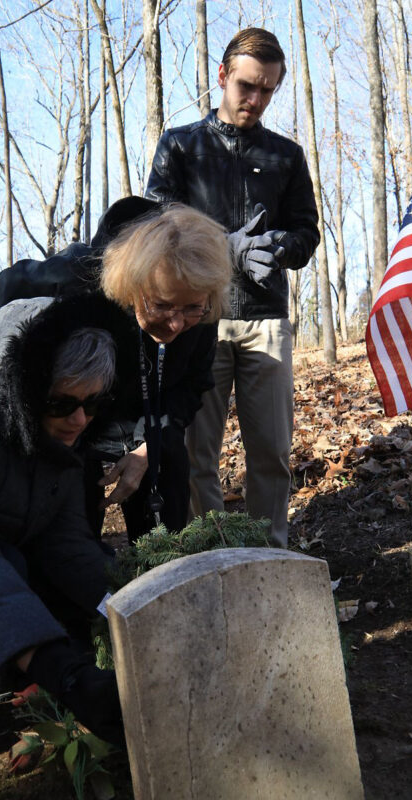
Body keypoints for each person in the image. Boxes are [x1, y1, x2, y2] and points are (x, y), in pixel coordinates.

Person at [145, 28, 320, 548]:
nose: (256, 99)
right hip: (198, 319)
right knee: (199, 453)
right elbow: (157, 221)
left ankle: (270, 558)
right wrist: (226, 247)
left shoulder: (286, 155)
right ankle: (214, 555)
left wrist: (277, 248)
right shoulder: (181, 146)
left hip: (266, 319)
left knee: (271, 451)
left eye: (268, 90)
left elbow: (307, 232)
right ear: (222, 76)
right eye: (247, 85)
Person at [0, 295, 123, 768]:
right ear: (24, 388)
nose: (79, 420)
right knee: (0, 565)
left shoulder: (52, 444)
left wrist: (127, 606)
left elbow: (68, 549)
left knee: (20, 564)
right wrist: (62, 672)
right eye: (62, 402)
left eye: (92, 403)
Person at [0, 201, 232, 542]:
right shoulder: (73, 278)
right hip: (78, 422)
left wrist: (147, 448)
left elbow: (190, 387)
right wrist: (25, 398)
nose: (176, 322)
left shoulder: (200, 309)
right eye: (162, 305)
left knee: (166, 501)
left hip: (148, 423)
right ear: (133, 285)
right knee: (74, 532)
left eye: (191, 309)